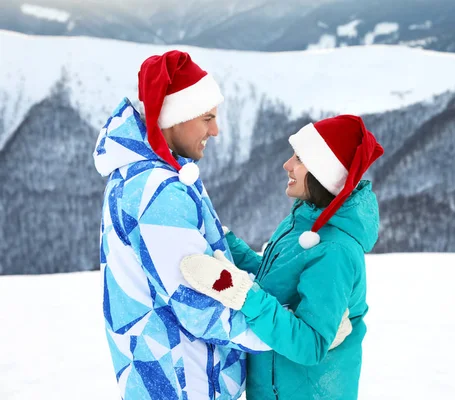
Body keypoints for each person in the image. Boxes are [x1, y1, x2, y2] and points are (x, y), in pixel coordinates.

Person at [93, 50, 271, 400]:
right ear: (175, 118)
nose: (216, 130)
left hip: (166, 377)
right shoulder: (157, 194)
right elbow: (197, 302)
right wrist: (288, 334)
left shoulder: (141, 175)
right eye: (207, 118)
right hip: (185, 381)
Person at [180, 115, 384, 399]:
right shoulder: (305, 221)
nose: (287, 165)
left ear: (323, 173)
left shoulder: (335, 251)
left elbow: (310, 343)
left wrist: (244, 295)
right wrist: (223, 240)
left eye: (299, 159)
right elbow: (275, 279)